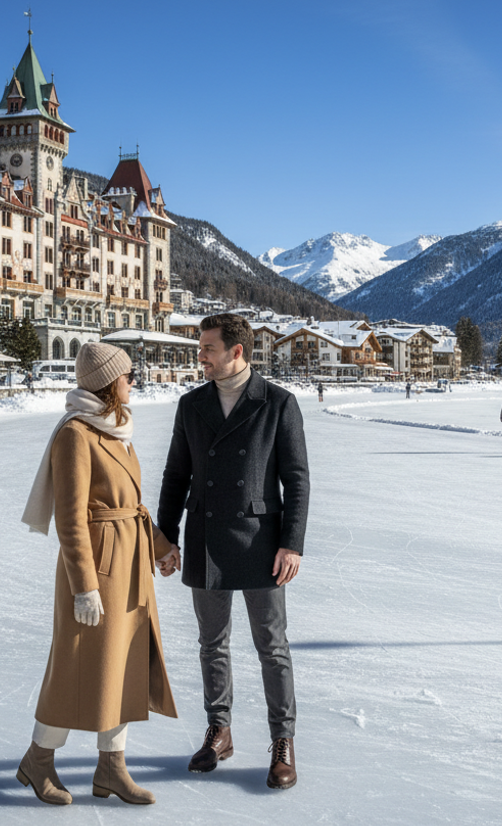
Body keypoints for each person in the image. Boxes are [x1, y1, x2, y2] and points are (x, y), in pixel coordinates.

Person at [18, 342, 181, 806]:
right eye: (128, 376)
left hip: (131, 565)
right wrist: (84, 587)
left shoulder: (115, 429)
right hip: (98, 569)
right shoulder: (76, 434)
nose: (134, 382)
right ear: (110, 382)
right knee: (75, 665)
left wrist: (162, 547)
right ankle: (38, 759)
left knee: (122, 665)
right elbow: (71, 519)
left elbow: (132, 507)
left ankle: (111, 766)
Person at [157, 313, 310, 791]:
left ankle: (282, 742)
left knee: (272, 647)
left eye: (208, 348)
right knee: (211, 644)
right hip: (204, 538)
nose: (199, 355)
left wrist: (292, 543)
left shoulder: (278, 403)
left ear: (235, 352)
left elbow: (297, 480)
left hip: (261, 541)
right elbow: (174, 476)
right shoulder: (191, 404)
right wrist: (166, 538)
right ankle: (219, 731)